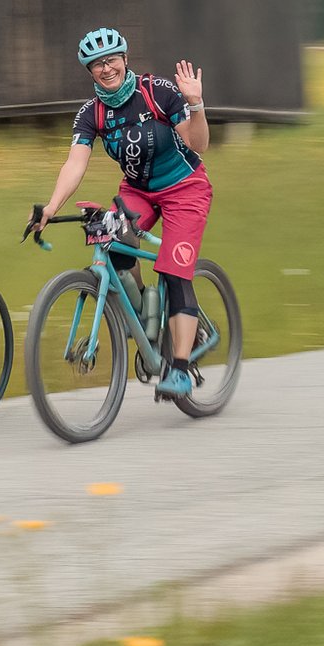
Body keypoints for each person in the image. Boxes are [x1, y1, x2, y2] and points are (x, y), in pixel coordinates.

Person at [24, 27, 211, 400]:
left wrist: (196, 105)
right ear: (89, 71)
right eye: (96, 64)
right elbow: (75, 164)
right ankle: (149, 320)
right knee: (115, 247)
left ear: (125, 59)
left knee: (174, 272)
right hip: (138, 191)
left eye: (111, 60)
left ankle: (180, 365)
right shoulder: (90, 113)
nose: (106, 68)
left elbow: (199, 145)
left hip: (184, 188)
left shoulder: (157, 91)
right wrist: (51, 206)